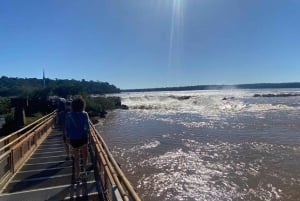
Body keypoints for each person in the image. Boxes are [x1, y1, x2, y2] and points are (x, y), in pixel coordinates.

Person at [65, 97, 90, 183]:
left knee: (76, 158)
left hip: (73, 138)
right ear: (83, 105)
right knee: (85, 156)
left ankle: (77, 176)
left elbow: (67, 128)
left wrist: (68, 137)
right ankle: (85, 172)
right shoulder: (85, 114)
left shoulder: (69, 115)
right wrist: (87, 134)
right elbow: (87, 127)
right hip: (83, 138)